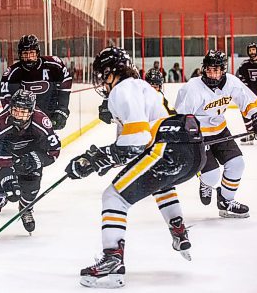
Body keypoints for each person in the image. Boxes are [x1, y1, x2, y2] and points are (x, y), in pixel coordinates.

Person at [64, 47, 206, 288]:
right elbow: (139, 144)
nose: (101, 80)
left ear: (111, 72)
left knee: (113, 197)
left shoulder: (122, 89)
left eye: (102, 74)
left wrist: (97, 159)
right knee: (161, 183)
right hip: (192, 153)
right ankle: (178, 229)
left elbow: (136, 141)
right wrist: (102, 158)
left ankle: (112, 260)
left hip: (167, 150)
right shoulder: (142, 87)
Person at [175, 50, 257, 218]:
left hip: (220, 131)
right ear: (204, 69)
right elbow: (182, 116)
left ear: (223, 70)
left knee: (237, 164)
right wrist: (189, 137)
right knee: (212, 176)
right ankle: (205, 182)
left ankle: (226, 201)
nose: (213, 74)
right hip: (199, 136)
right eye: (210, 69)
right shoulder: (193, 88)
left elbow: (248, 100)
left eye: (217, 70)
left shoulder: (231, 82)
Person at [0, 89, 61, 237]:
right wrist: (7, 178)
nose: (18, 114)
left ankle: (26, 209)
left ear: (31, 111)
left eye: (23, 111)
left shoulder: (42, 122)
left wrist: (35, 159)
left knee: (31, 187)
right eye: (15, 110)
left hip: (29, 153)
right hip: (3, 154)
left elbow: (54, 150)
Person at [0, 34, 72, 130]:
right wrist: (15, 116)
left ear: (37, 53)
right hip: (24, 121)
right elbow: (5, 97)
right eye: (25, 54)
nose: (29, 57)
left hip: (49, 118)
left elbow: (65, 85)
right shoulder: (11, 73)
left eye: (32, 53)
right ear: (20, 54)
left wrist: (62, 110)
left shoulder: (54, 65)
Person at [235, 43, 257, 144]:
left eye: (254, 50)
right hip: (253, 96)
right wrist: (250, 95)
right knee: (246, 112)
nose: (252, 53)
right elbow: (242, 82)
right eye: (250, 51)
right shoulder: (244, 65)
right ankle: (250, 133)